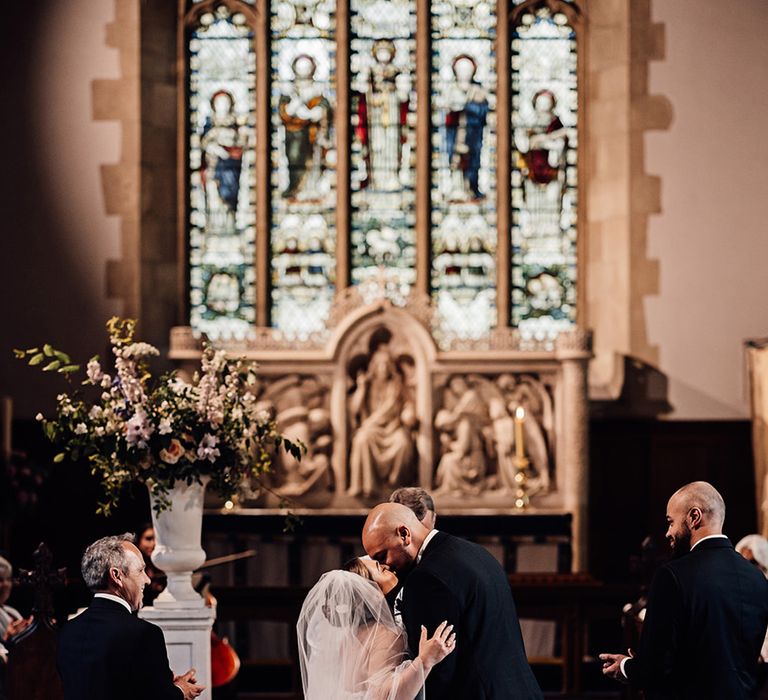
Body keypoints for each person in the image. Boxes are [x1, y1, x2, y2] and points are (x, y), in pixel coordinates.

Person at [600, 481, 768, 699]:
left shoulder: (672, 576)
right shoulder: (757, 579)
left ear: (694, 517)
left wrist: (627, 667)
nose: (668, 532)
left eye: (671, 522)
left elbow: (654, 669)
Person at [362, 503, 543, 699]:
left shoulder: (426, 579)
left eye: (382, 556)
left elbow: (438, 673)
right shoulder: (475, 552)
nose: (384, 566)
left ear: (404, 534)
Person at [57, 534, 204, 700]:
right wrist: (179, 691)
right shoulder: (144, 634)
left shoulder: (67, 630)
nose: (147, 580)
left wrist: (164, 686)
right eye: (140, 570)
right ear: (117, 576)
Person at [297, 556, 455, 699]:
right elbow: (384, 696)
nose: (390, 568)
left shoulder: (348, 636)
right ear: (371, 590)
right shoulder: (384, 633)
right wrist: (425, 661)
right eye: (381, 568)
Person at [0, 556, 32, 664]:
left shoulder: (11, 611)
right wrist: (7, 640)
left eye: (7, 579)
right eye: (0, 579)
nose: (3, 585)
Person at [135, 525, 167, 607]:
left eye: (156, 539)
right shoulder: (133, 564)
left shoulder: (162, 563)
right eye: (148, 539)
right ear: (139, 540)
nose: (153, 543)